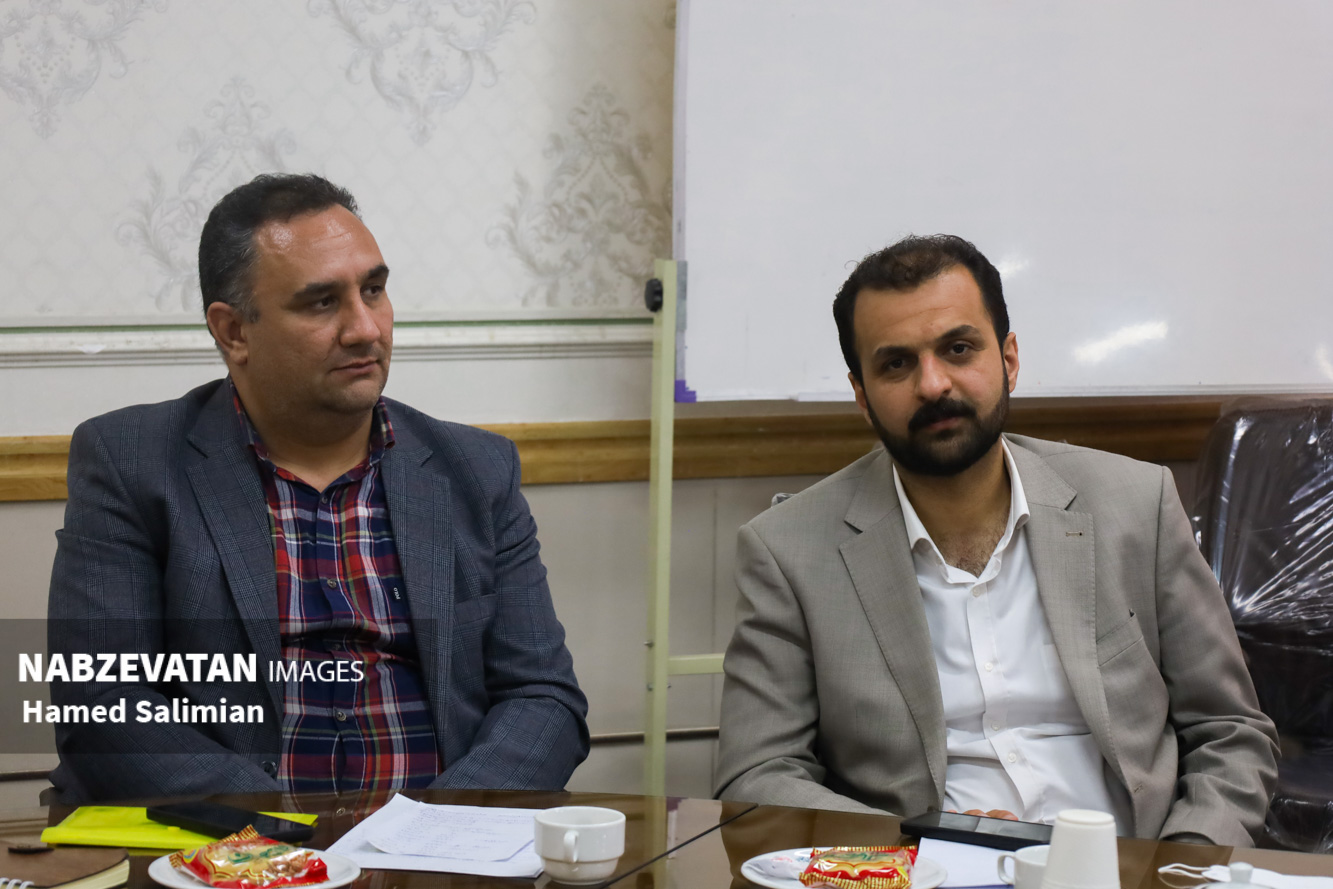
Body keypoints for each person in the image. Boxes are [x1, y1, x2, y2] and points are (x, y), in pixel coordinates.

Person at [713, 234, 1278, 846]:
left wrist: (1181, 865)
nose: (933, 384)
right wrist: (927, 845)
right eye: (896, 364)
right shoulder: (788, 551)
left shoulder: (1136, 505)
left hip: (1126, 864)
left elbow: (1231, 732)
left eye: (958, 349)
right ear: (862, 396)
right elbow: (757, 774)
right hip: (919, 871)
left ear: (1008, 359)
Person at [47, 173, 589, 801]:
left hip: (437, 840)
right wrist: (285, 832)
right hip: (229, 843)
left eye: (373, 290)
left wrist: (435, 828)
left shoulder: (475, 469)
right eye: (322, 303)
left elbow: (541, 696)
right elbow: (101, 703)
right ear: (233, 331)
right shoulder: (132, 460)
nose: (365, 329)